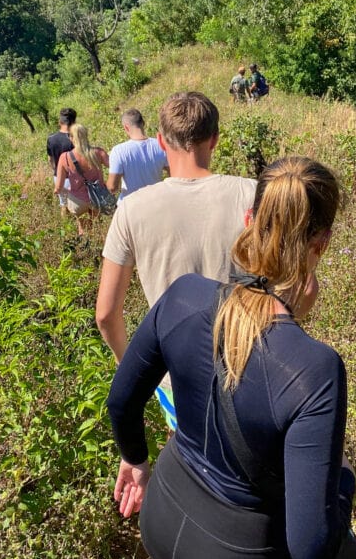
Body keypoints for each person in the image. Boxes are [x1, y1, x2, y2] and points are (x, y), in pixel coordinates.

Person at [107, 157, 356, 559]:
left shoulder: (184, 297)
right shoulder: (315, 370)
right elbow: (313, 552)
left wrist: (136, 462)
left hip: (166, 518)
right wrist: (345, 489)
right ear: (321, 243)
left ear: (250, 220)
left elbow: (121, 402)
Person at [95, 92, 256, 364]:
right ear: (215, 139)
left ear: (161, 141)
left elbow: (106, 315)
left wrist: (133, 369)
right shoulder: (254, 194)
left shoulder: (131, 209)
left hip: (177, 376)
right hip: (249, 366)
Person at [107, 108, 168, 203]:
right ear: (143, 123)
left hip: (131, 205)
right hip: (156, 202)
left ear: (126, 127)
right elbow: (173, 174)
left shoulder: (118, 151)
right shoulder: (160, 144)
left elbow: (112, 187)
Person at [54, 124, 109, 227]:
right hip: (97, 197)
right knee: (97, 224)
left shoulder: (64, 157)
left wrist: (57, 191)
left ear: (71, 137)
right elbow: (116, 167)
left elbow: (58, 187)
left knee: (82, 226)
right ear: (86, 135)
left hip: (77, 201)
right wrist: (108, 185)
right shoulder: (98, 152)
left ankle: (83, 237)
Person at [47, 107, 77, 211]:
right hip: (75, 177)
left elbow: (50, 159)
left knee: (63, 205)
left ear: (60, 121)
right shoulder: (75, 138)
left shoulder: (51, 138)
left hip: (58, 178)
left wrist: (56, 171)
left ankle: (65, 226)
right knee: (79, 206)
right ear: (74, 122)